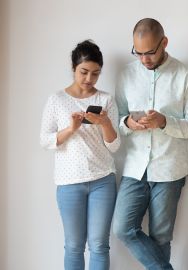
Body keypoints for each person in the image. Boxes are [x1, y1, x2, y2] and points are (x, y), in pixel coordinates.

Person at [112, 18, 188, 270]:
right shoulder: (127, 75)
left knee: (161, 237)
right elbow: (116, 121)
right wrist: (129, 123)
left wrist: (164, 122)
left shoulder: (186, 75)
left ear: (164, 43)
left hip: (169, 168)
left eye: (150, 52)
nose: (144, 59)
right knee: (122, 228)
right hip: (134, 168)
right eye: (138, 53)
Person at [40, 40, 120, 270]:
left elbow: (115, 147)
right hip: (69, 183)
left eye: (96, 74)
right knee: (74, 245)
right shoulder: (57, 100)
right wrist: (70, 130)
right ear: (74, 68)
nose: (89, 79)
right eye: (84, 72)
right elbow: (44, 140)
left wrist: (104, 122)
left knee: (99, 245)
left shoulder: (105, 100)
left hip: (102, 181)